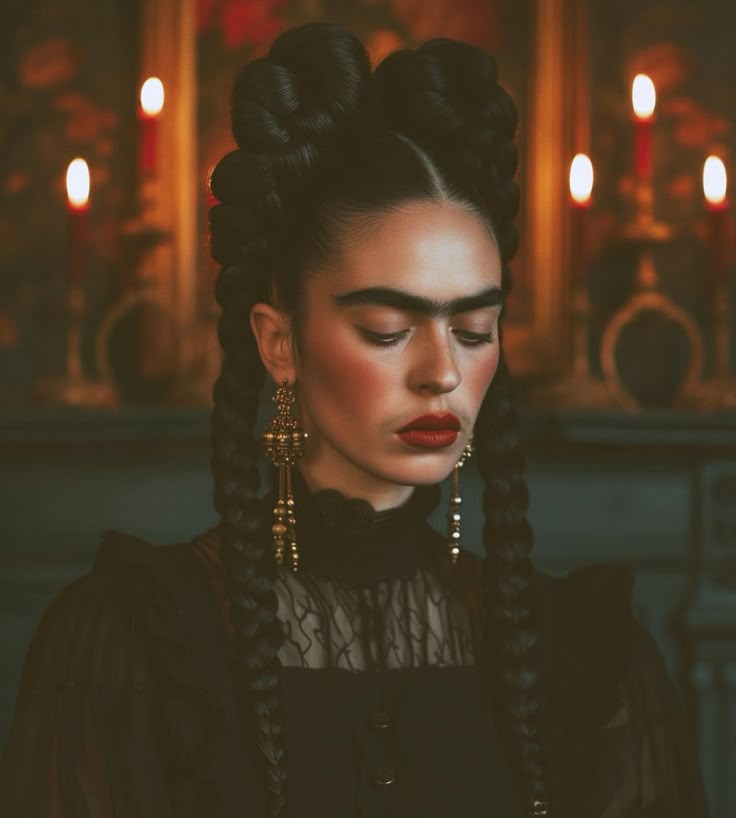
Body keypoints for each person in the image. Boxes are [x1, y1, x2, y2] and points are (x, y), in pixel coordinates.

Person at [0, 21, 708, 818]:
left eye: (475, 331)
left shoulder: (593, 662)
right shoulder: (123, 645)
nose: (442, 372)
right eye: (387, 330)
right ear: (279, 342)